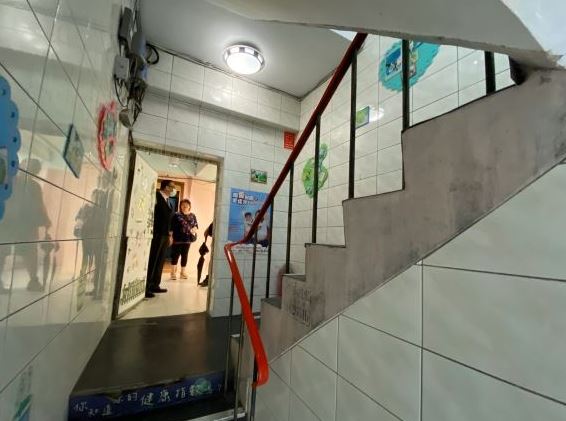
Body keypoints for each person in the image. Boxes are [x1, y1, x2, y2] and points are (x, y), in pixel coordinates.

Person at [145, 179, 175, 298]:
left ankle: (155, 285)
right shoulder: (156, 196)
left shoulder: (169, 201)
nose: (173, 189)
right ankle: (147, 287)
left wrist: (170, 235)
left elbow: (169, 219)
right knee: (153, 259)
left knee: (160, 261)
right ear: (166, 187)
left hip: (165, 234)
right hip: (156, 234)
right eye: (172, 187)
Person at [170, 199, 198, 280]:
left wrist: (194, 230)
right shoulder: (176, 215)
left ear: (189, 206)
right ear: (180, 206)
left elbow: (196, 225)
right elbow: (171, 226)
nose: (185, 206)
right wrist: (170, 236)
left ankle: (182, 272)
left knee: (185, 256)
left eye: (186, 205)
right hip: (177, 239)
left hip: (188, 239)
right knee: (175, 255)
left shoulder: (192, 215)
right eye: (183, 205)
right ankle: (173, 273)